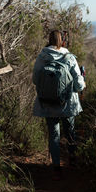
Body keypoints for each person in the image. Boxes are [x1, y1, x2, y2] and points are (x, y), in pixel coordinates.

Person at [32, 30, 85, 180]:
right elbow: (79, 83)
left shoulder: (42, 57)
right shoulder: (69, 57)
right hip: (68, 103)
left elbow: (35, 79)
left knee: (54, 135)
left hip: (47, 103)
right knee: (70, 131)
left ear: (48, 40)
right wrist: (79, 86)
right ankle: (73, 159)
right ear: (62, 41)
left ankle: (56, 167)